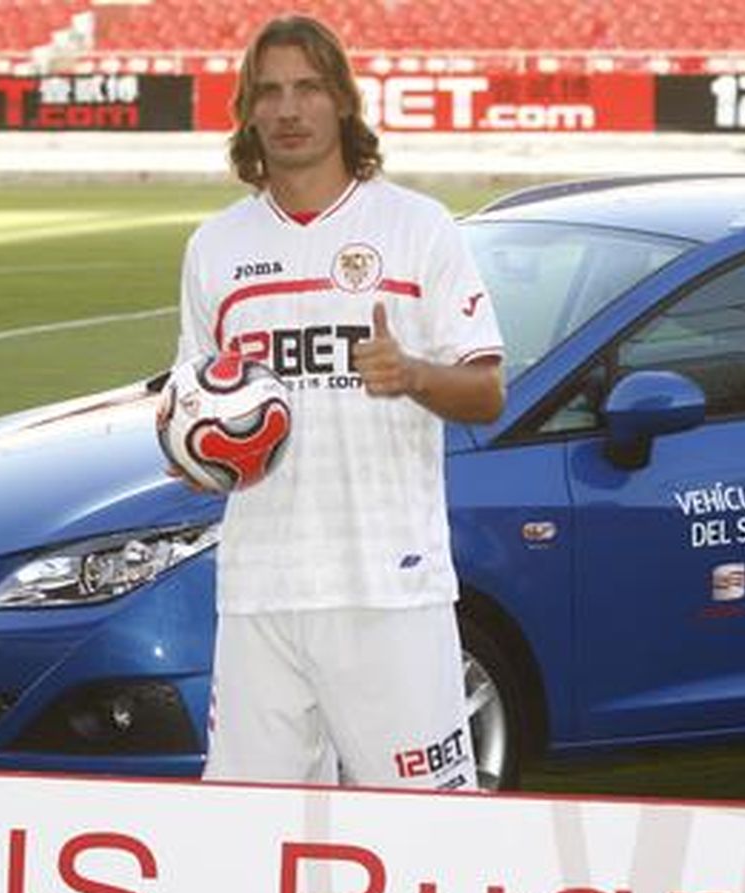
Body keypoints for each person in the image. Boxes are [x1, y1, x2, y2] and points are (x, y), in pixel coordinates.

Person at [168, 13, 505, 790]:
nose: (289, 110)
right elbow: (198, 401)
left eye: (309, 89)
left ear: (343, 102)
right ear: (248, 111)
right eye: (270, 92)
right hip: (262, 589)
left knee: (421, 821)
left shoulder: (417, 228)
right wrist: (196, 456)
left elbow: (487, 391)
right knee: (252, 830)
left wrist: (414, 372)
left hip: (389, 584)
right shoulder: (215, 248)